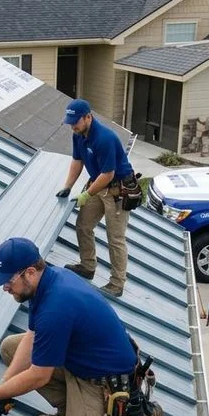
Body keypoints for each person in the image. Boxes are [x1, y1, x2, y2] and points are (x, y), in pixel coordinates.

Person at [0, 237, 163, 416]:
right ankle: (70, 415)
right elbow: (33, 335)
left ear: (30, 272)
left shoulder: (56, 306)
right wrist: (3, 389)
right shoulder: (48, 281)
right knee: (10, 347)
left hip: (104, 382)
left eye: (8, 281)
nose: (5, 287)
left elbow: (39, 376)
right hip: (80, 361)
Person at [55, 99, 136, 298]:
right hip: (97, 184)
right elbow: (77, 160)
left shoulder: (105, 138)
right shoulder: (78, 134)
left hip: (117, 190)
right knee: (83, 225)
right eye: (70, 122)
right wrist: (68, 186)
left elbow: (108, 174)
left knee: (115, 238)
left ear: (88, 117)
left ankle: (117, 283)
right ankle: (87, 265)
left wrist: (86, 194)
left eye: (76, 121)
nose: (72, 126)